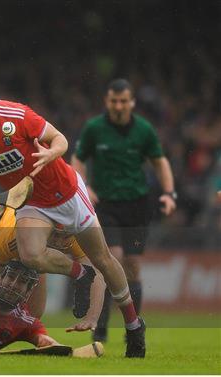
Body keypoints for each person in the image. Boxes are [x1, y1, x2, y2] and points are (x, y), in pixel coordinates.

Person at [0, 72, 146, 357]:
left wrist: (51, 153)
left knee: (103, 257)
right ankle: (82, 273)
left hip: (65, 192)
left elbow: (60, 139)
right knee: (31, 256)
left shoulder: (14, 115)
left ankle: (134, 326)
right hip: (29, 199)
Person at [71, 78, 176, 342]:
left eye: (123, 101)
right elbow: (78, 159)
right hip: (105, 205)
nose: (118, 106)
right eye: (114, 101)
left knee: (132, 266)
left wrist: (169, 193)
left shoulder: (144, 130)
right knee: (112, 258)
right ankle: (102, 331)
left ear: (132, 103)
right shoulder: (94, 128)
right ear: (107, 101)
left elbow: (159, 161)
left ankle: (133, 330)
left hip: (137, 206)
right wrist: (84, 187)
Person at [0, 204, 106, 339]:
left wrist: (92, 317)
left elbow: (97, 272)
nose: (59, 243)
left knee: (34, 313)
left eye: (65, 237)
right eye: (56, 235)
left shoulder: (73, 237)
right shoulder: (13, 236)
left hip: (30, 242)